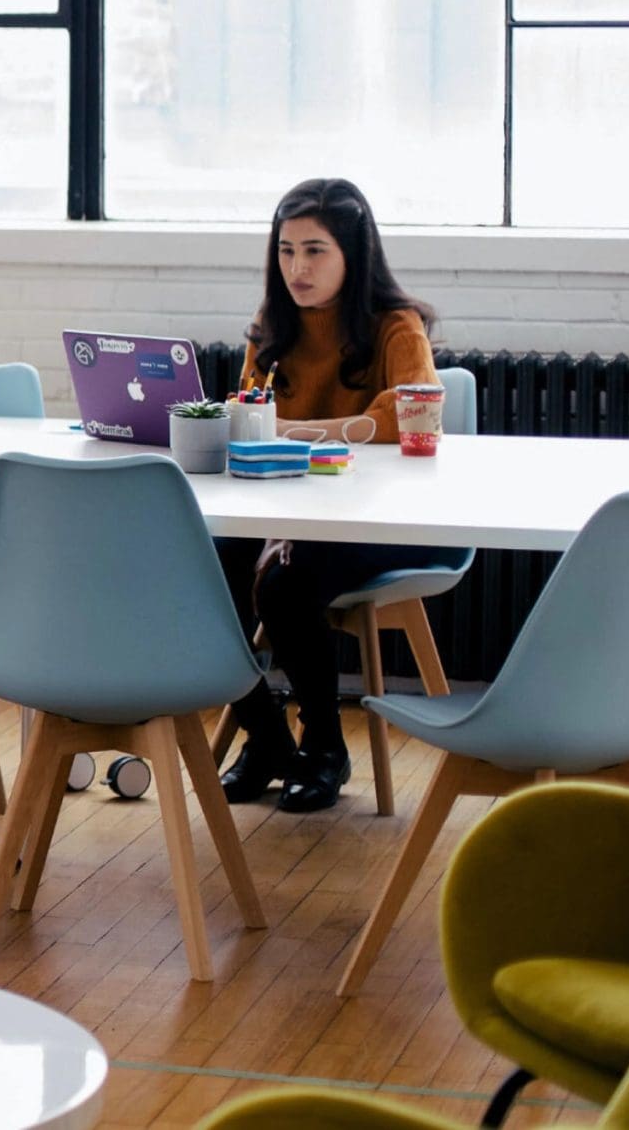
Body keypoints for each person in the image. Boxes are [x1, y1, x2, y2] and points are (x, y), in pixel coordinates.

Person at [214, 178, 458, 813]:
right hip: (284, 511)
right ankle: (264, 735)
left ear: (354, 254)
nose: (298, 267)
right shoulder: (272, 329)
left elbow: (410, 414)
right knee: (200, 572)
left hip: (380, 520)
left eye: (315, 250)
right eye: (287, 250)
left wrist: (293, 431)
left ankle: (324, 745)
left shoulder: (395, 327)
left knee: (282, 584)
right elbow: (248, 413)